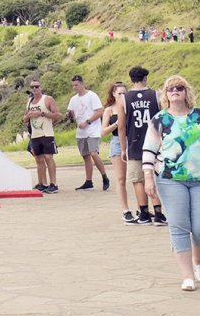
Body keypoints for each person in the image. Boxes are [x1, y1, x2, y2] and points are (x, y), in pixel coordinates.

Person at [142, 76, 200, 290]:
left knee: (199, 227)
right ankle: (187, 276)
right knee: (178, 225)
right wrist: (148, 177)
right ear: (165, 94)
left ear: (186, 92)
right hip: (170, 179)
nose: (175, 91)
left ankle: (198, 263)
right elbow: (149, 149)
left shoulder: (198, 116)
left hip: (198, 179)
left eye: (179, 88)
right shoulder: (159, 119)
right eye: (170, 89)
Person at [117, 66, 166, 225]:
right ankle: (158, 213)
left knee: (138, 179)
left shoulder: (123, 98)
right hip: (155, 143)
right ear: (145, 78)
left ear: (131, 80)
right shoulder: (156, 95)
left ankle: (144, 213)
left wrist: (123, 148)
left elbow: (121, 126)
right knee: (155, 176)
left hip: (134, 143)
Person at [67, 76, 110, 190]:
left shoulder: (91, 95)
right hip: (81, 131)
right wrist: (70, 116)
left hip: (92, 130)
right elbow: (71, 112)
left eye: (76, 85)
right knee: (85, 155)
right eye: (73, 85)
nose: (74, 87)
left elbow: (100, 111)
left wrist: (87, 121)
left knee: (93, 153)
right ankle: (88, 181)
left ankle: (104, 176)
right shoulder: (73, 99)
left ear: (82, 84)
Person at [24, 81, 61, 192]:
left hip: (46, 133)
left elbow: (57, 115)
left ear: (41, 87)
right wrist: (28, 116)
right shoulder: (29, 101)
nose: (34, 89)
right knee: (39, 159)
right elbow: (24, 118)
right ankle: (43, 183)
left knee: (48, 157)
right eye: (32, 87)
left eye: (36, 86)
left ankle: (53, 183)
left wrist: (42, 114)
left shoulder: (47, 99)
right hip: (35, 135)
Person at [101, 82, 128, 217]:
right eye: (119, 93)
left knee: (140, 177)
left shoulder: (130, 107)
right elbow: (104, 131)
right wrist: (117, 123)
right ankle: (125, 209)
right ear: (113, 94)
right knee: (121, 178)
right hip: (117, 141)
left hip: (133, 140)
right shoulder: (109, 110)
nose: (122, 96)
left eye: (124, 93)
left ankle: (144, 208)